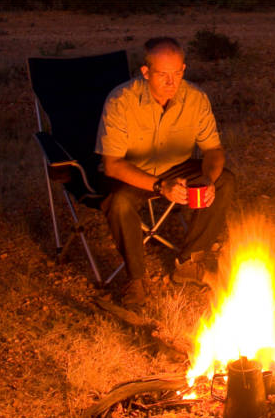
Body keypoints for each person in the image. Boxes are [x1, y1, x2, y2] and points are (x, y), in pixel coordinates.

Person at [96, 37, 235, 308]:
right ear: (146, 72)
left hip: (177, 166)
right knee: (120, 203)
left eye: (177, 74)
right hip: (133, 172)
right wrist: (161, 186)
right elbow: (112, 165)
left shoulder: (195, 98)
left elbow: (214, 151)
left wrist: (208, 180)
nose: (171, 82)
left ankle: (189, 263)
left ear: (183, 69)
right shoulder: (121, 101)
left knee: (225, 180)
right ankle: (136, 280)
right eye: (163, 75)